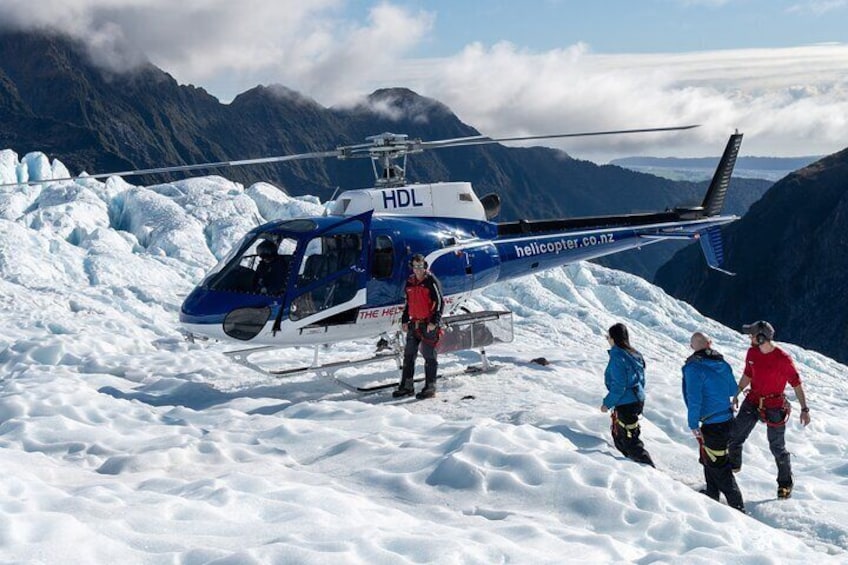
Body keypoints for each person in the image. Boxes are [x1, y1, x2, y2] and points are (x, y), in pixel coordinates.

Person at [728, 320, 810, 500]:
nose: (749, 337)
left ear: (761, 337)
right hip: (752, 401)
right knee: (734, 435)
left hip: (773, 406)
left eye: (752, 334)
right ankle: (733, 465)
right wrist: (737, 393)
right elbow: (748, 374)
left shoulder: (783, 359)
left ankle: (785, 483)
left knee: (777, 447)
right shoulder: (752, 353)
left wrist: (805, 409)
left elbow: (796, 385)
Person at [682, 332, 745, 511]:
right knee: (710, 459)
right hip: (727, 420)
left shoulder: (693, 368)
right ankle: (712, 494)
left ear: (692, 347)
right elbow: (733, 388)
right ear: (710, 344)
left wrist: (693, 424)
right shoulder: (722, 363)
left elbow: (694, 398)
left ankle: (738, 508)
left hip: (712, 424)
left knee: (719, 466)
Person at [601, 323, 655, 467]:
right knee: (622, 436)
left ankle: (649, 470)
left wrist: (607, 403)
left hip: (625, 403)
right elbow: (641, 379)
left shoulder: (618, 357)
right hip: (636, 399)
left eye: (608, 337)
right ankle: (632, 466)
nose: (607, 339)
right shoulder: (635, 354)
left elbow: (619, 386)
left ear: (614, 338)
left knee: (630, 441)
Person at [393, 254, 444, 400]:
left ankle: (430, 387)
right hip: (413, 324)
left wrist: (434, 321)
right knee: (408, 356)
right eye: (415, 267)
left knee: (429, 356)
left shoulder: (430, 281)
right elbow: (407, 303)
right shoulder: (410, 282)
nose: (418, 270)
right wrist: (404, 319)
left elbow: (440, 302)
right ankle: (407, 386)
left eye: (420, 267)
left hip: (428, 325)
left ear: (425, 266)